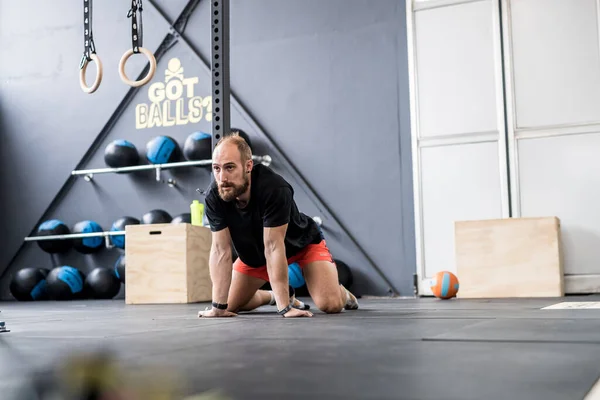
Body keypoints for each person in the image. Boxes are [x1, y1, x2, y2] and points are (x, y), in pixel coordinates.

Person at [198, 132, 359, 318]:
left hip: (301, 245)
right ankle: (271, 296)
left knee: (329, 304)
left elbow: (274, 246)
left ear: (248, 166)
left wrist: (285, 309)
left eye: (230, 168)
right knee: (229, 305)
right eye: (216, 169)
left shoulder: (274, 188)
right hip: (256, 256)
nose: (222, 177)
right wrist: (218, 307)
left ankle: (342, 293)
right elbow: (220, 251)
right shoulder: (215, 196)